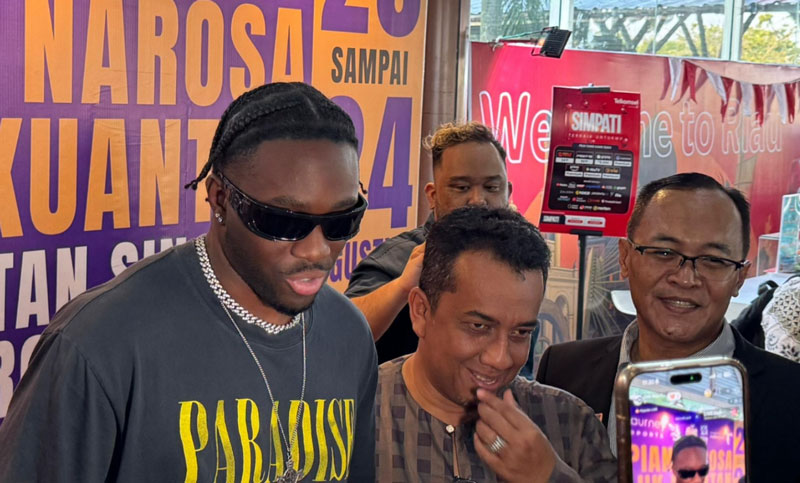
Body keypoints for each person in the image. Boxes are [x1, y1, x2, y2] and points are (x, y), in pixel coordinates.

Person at [0, 82, 377, 482]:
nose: (317, 250)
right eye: (282, 221)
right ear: (220, 198)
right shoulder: (99, 344)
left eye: (342, 220)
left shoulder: (349, 334)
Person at [536, 172, 800, 482]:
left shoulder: (791, 394)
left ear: (740, 277)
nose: (685, 278)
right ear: (625, 257)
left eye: (714, 260)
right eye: (664, 253)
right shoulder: (562, 372)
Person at [376, 206, 617, 482]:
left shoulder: (569, 424)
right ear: (421, 311)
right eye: (479, 327)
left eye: (521, 332)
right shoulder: (360, 413)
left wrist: (551, 476)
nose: (500, 359)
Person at [346, 121, 512, 363]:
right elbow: (339, 334)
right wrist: (402, 288)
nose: (478, 200)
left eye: (491, 187)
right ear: (433, 196)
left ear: (508, 193)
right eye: (462, 187)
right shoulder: (396, 261)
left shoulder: (518, 263)